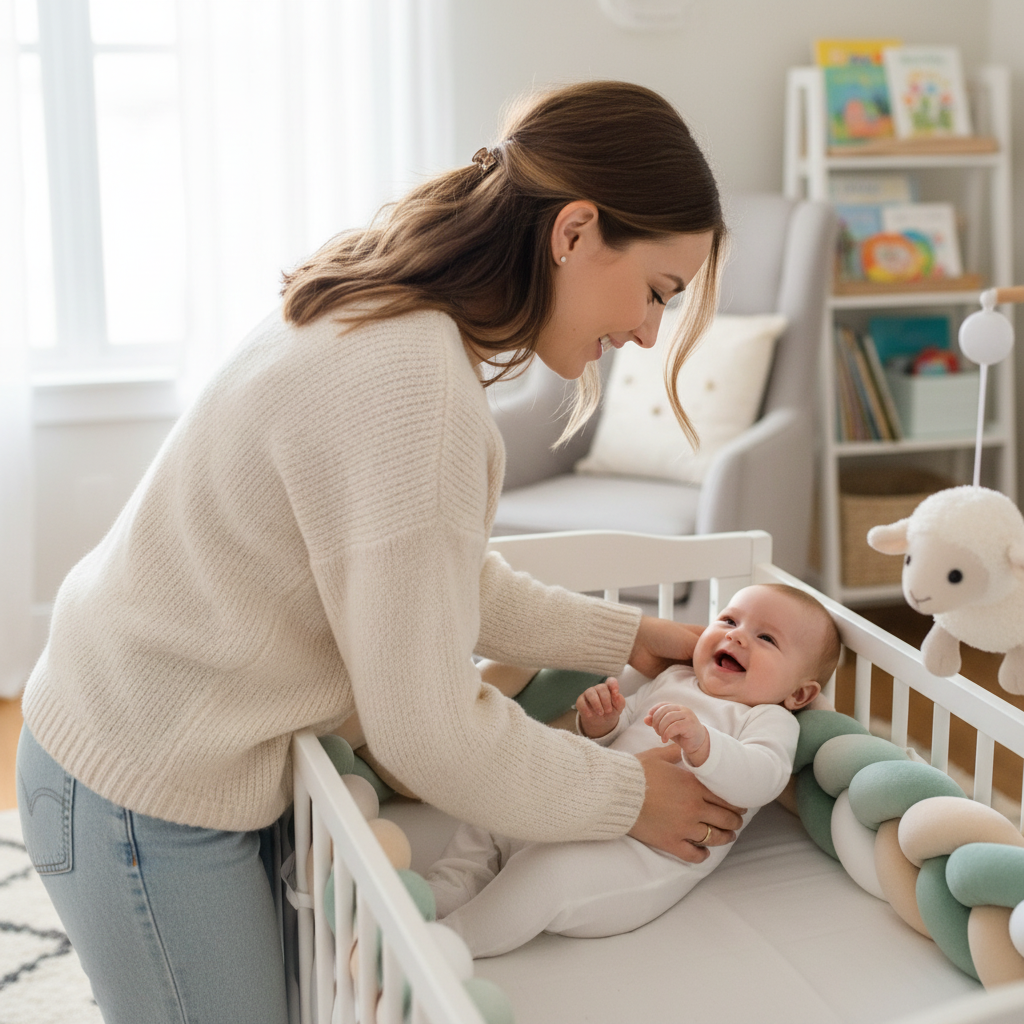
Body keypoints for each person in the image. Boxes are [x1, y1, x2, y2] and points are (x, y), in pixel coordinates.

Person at [16, 80, 731, 1023]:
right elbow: (427, 730)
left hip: (126, 734)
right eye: (655, 293)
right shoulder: (413, 383)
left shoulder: (390, 302)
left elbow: (427, 578)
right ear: (574, 232)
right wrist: (626, 794)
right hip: (142, 788)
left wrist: (621, 635)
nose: (646, 331)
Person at [427, 584, 842, 958]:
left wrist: (706, 747)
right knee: (499, 803)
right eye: (729, 620)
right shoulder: (674, 677)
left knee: (545, 873)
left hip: (642, 859)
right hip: (589, 807)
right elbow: (625, 732)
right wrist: (603, 724)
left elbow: (764, 777)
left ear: (800, 693)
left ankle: (453, 940)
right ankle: (449, 886)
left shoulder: (769, 719)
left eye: (765, 638)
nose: (736, 635)